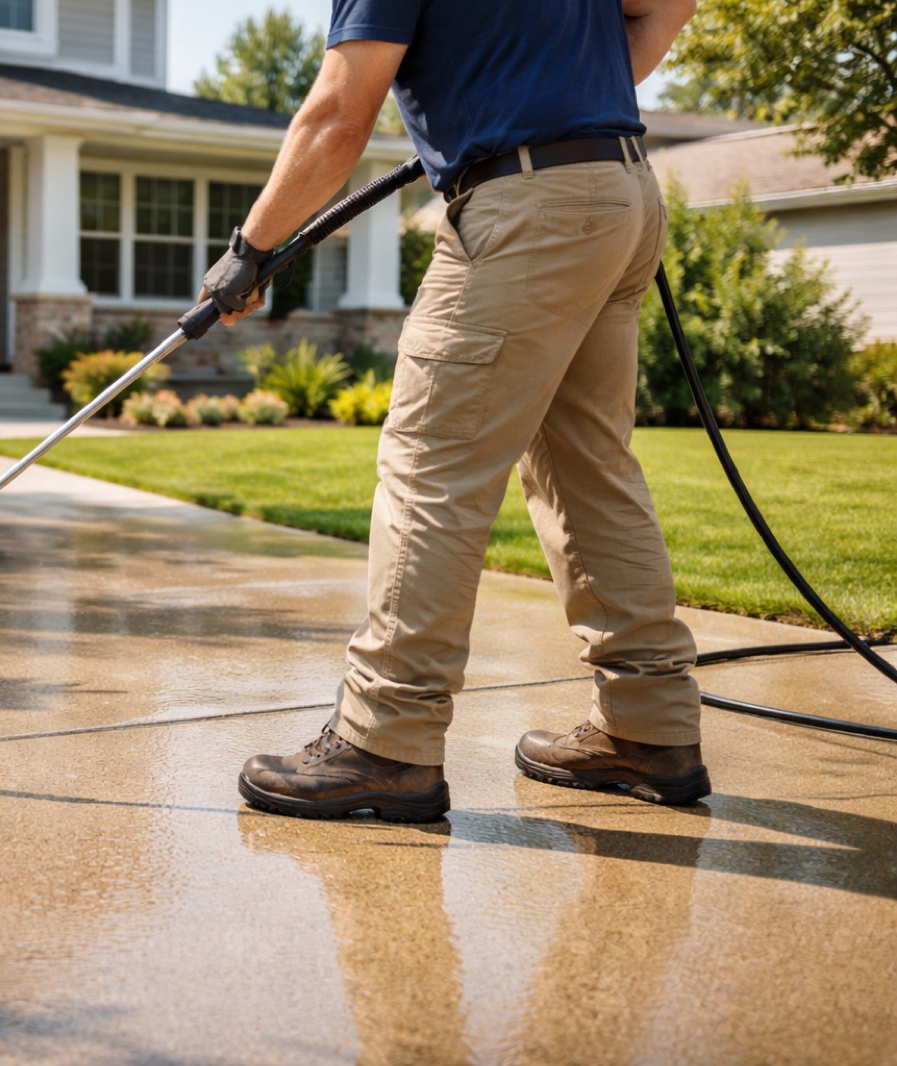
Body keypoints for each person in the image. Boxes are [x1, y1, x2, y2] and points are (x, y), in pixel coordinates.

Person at [202, 0, 708, 822]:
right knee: (588, 467)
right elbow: (670, 3)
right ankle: (649, 728)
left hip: (526, 204)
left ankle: (385, 740)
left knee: (431, 468)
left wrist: (251, 248)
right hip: (619, 190)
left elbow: (338, 113)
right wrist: (566, 93)